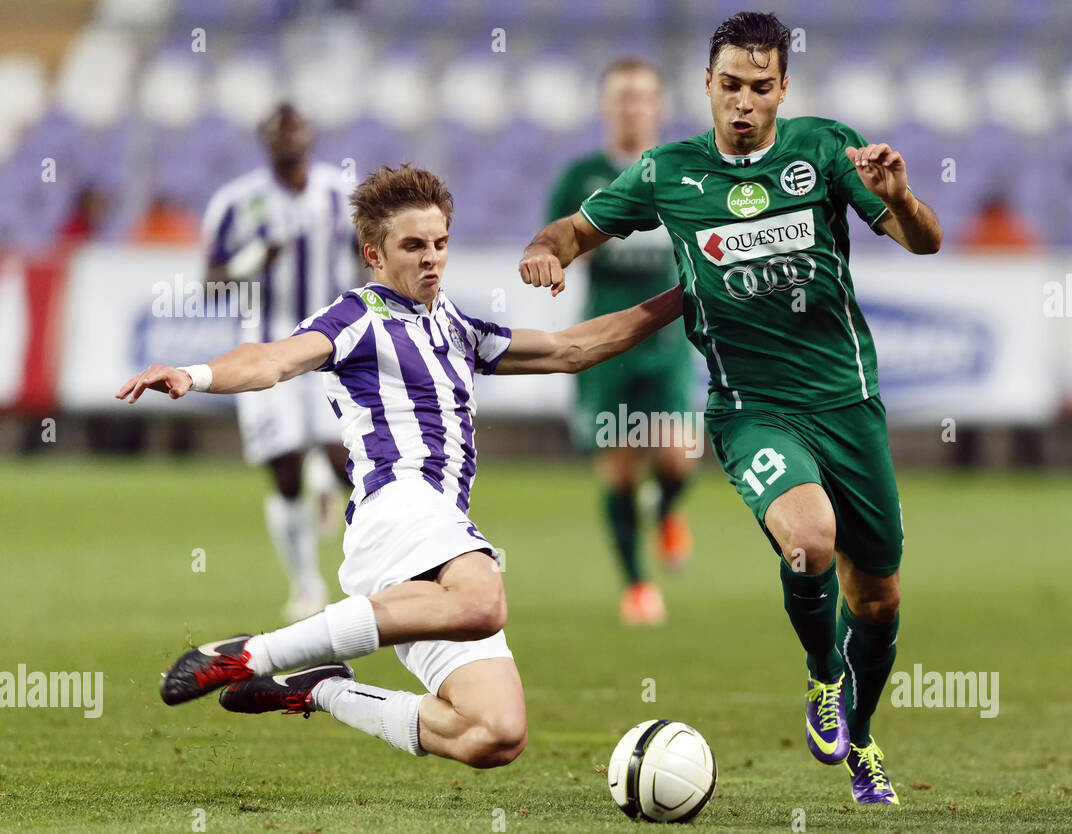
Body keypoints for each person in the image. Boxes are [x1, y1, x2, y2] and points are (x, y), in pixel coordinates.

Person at [117, 164, 682, 769]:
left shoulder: (458, 327)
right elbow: (272, 360)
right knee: (485, 600)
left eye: (440, 243)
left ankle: (321, 689)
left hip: (425, 541)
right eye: (413, 246)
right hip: (399, 507)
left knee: (494, 733)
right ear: (374, 254)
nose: (431, 258)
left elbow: (575, 349)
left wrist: (687, 294)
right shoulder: (358, 318)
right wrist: (194, 375)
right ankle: (252, 653)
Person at [520, 12, 942, 804]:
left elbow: (924, 241)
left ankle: (864, 736)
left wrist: (903, 197)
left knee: (878, 597)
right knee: (810, 540)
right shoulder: (667, 172)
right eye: (729, 87)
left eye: (760, 87)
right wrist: (547, 251)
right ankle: (823, 679)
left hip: (848, 404)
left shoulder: (824, 150)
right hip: (752, 409)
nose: (743, 104)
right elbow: (573, 230)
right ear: (706, 87)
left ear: (783, 89)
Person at [545, 58, 697, 626]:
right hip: (603, 344)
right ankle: (636, 584)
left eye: (642, 97)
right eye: (622, 97)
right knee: (619, 468)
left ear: (658, 106)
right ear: (606, 106)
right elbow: (555, 240)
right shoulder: (581, 176)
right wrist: (553, 257)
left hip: (667, 337)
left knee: (680, 456)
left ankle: (669, 509)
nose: (632, 106)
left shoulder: (684, 169)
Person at [200, 103, 357, 620]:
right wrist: (251, 261)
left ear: (311, 134)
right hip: (266, 351)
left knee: (345, 462)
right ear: (265, 140)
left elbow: (368, 259)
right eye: (279, 132)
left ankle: (332, 501)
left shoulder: (341, 195)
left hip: (330, 347)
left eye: (297, 129)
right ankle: (308, 584)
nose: (289, 139)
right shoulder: (237, 202)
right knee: (284, 468)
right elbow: (211, 285)